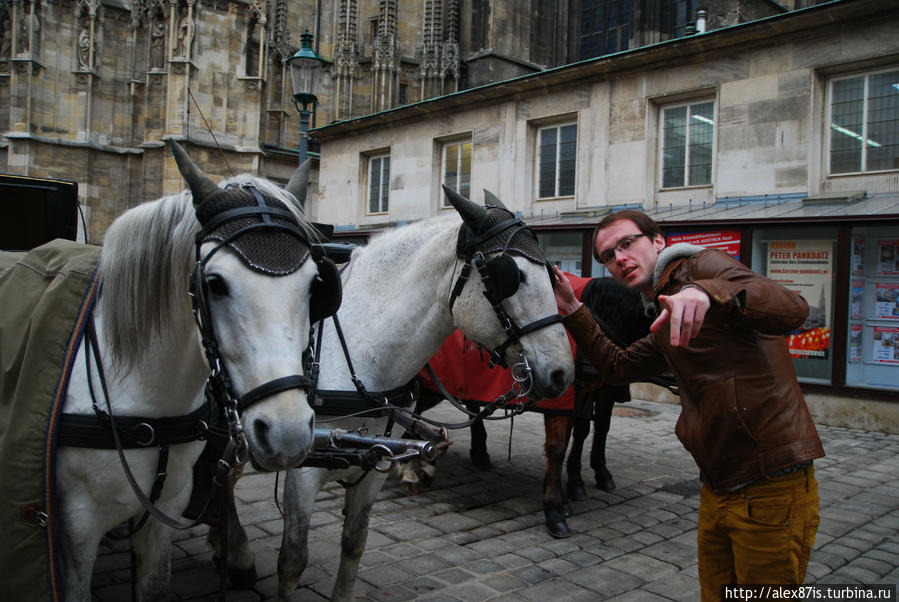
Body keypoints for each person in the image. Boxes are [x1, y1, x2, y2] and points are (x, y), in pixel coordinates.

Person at [553, 209, 824, 600]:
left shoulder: (701, 265)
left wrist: (706, 293)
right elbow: (617, 365)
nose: (620, 259)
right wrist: (573, 309)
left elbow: (792, 308)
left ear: (658, 241)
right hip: (718, 487)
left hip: (771, 485)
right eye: (608, 256)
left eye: (627, 243)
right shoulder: (663, 311)